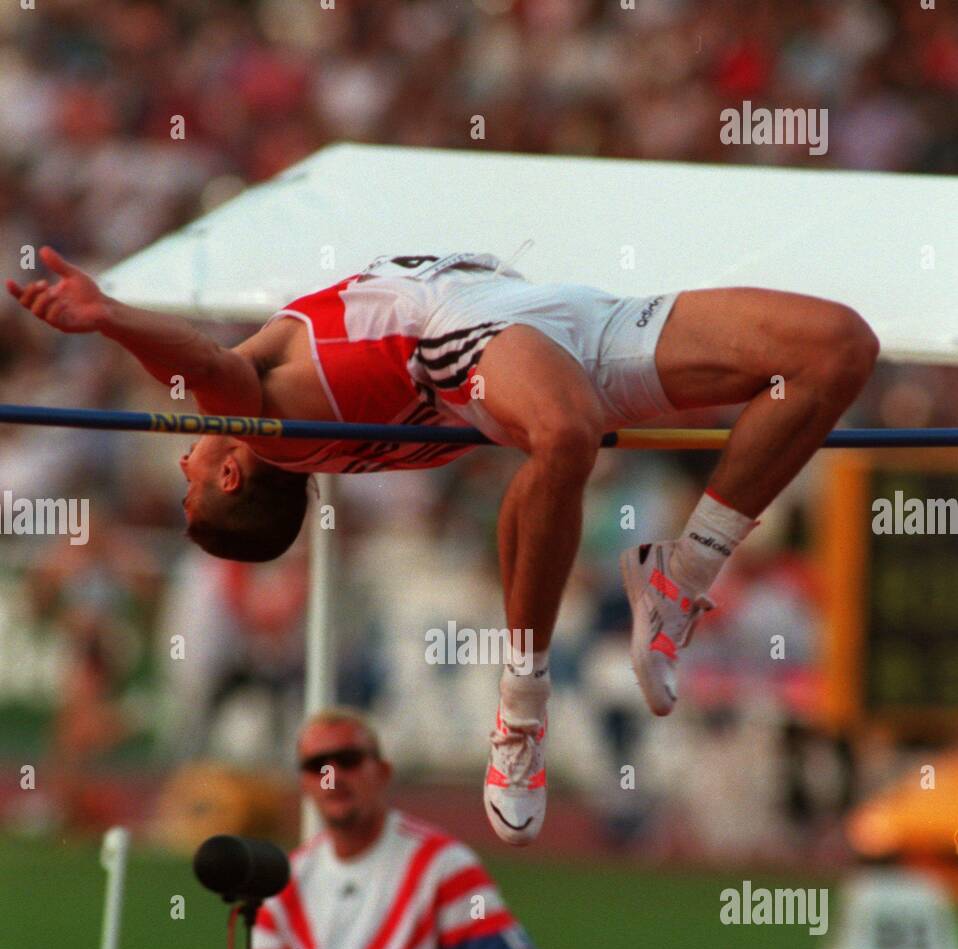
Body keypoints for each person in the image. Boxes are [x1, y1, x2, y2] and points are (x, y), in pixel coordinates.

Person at [8, 246, 880, 845]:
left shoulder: (292, 415)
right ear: (235, 475)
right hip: (471, 335)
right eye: (193, 471)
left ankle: (682, 573)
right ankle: (522, 712)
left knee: (836, 348)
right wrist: (109, 315)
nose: (187, 455)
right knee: (565, 437)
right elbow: (203, 366)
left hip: (557, 318)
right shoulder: (271, 426)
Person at [246, 707, 539, 949]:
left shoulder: (441, 866)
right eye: (317, 766)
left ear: (382, 773)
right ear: (303, 783)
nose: (332, 777)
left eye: (348, 760)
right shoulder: (289, 877)